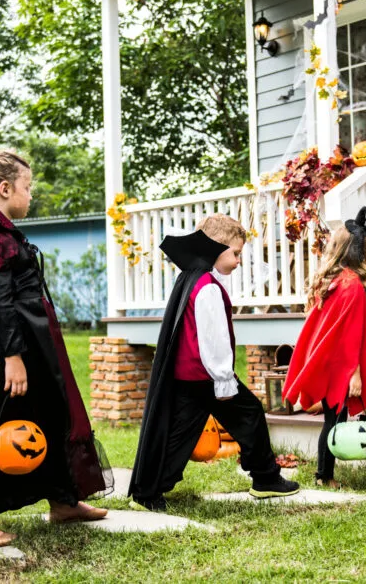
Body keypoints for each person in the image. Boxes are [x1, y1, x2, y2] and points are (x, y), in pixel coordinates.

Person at [0, 144, 110, 548]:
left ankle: (63, 500)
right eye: (27, 186)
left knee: (51, 416)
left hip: (33, 340)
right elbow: (0, 303)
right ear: (5, 188)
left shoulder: (5, 233)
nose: (30, 193)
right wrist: (13, 358)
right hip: (8, 345)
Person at [128, 214, 299, 510]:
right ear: (216, 248)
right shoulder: (206, 286)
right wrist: (223, 380)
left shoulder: (193, 277)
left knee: (181, 434)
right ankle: (265, 478)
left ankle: (148, 491)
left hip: (190, 376)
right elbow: (213, 339)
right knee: (251, 413)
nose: (238, 261)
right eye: (235, 253)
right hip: (206, 376)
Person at [283, 207, 366, 488]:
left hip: (335, 356)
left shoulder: (343, 280)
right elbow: (347, 337)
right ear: (359, 252)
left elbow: (351, 332)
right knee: (334, 417)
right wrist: (355, 375)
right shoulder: (351, 286)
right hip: (337, 363)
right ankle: (324, 476)